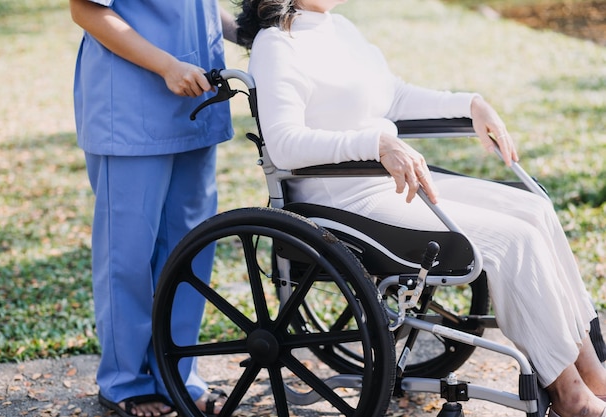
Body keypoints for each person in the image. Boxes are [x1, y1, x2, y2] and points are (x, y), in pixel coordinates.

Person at [236, 1, 606, 416]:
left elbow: (392, 97)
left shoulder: (337, 28)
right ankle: (570, 395)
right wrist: (375, 143)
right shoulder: (276, 44)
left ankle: (592, 372)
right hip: (343, 199)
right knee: (514, 240)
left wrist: (470, 104)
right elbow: (285, 143)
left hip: (387, 182)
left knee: (534, 209)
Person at [69, 0, 236, 416]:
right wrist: (166, 66)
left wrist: (252, 30)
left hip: (196, 101)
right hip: (131, 104)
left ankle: (177, 372)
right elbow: (85, 10)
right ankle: (125, 380)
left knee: (190, 251)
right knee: (127, 256)